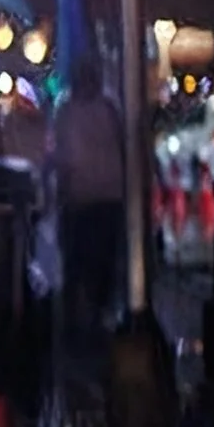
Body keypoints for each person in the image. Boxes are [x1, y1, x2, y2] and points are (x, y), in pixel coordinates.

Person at [52, 52, 128, 333]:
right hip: (93, 199)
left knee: (88, 262)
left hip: (93, 199)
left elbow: (63, 159)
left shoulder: (79, 110)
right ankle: (90, 317)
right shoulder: (102, 109)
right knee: (90, 262)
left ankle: (89, 318)